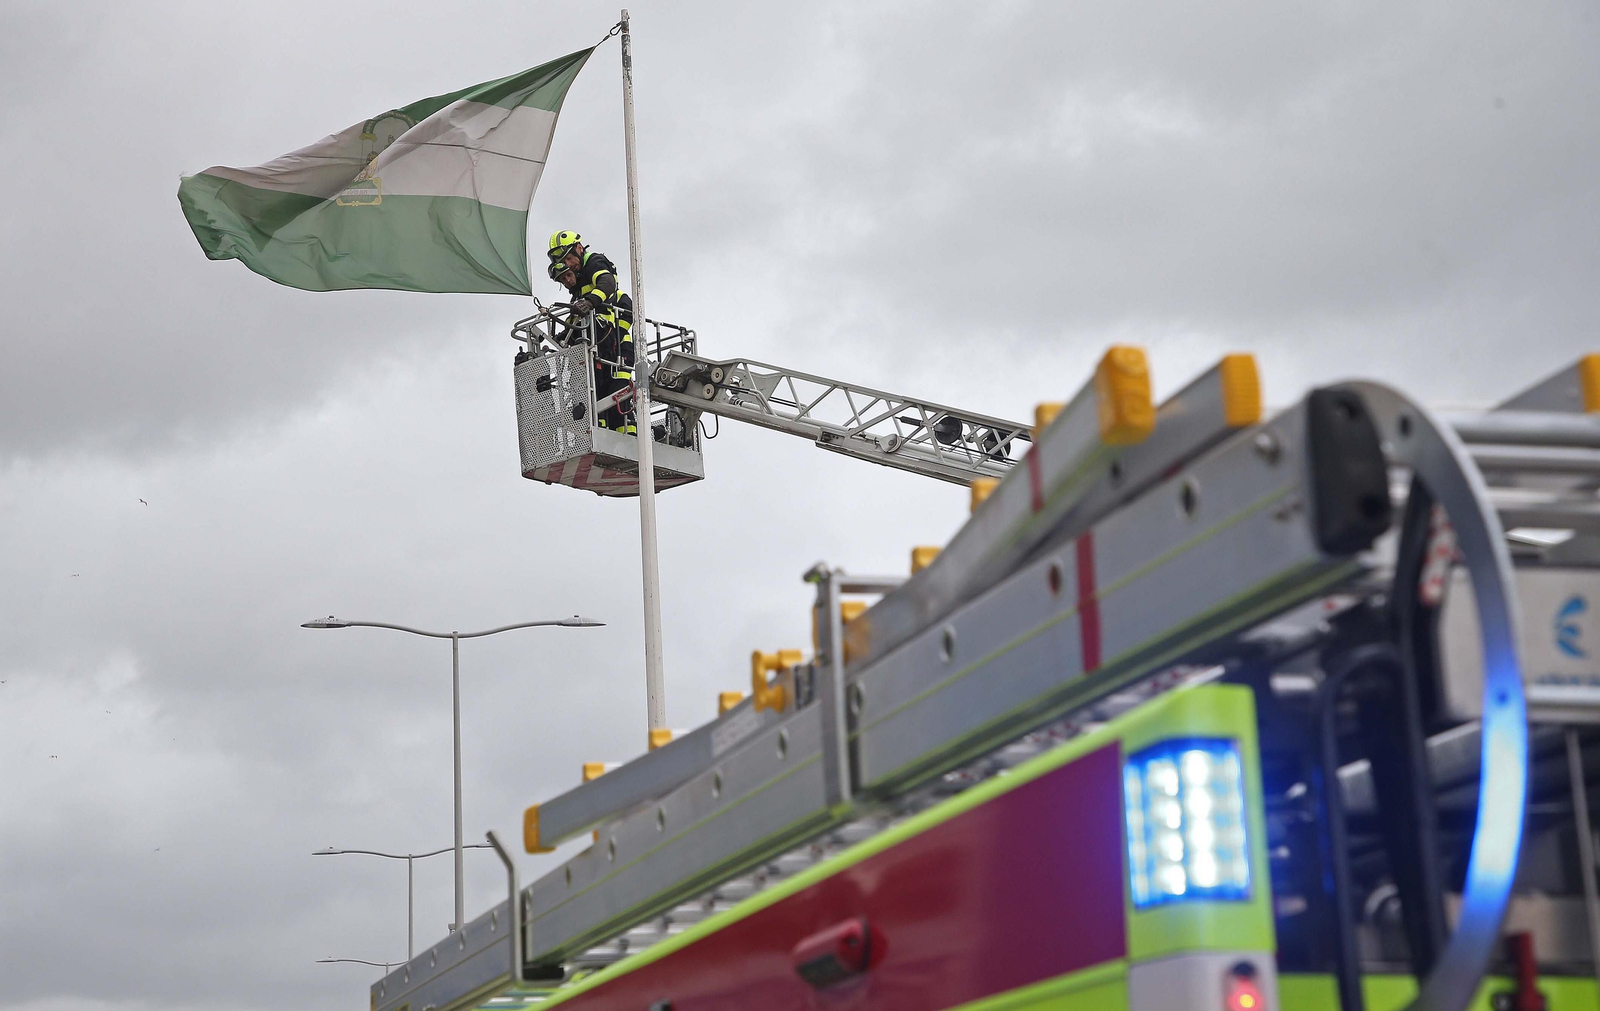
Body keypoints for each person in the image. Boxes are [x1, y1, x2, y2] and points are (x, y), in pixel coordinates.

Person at [547, 231, 635, 434]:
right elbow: (576, 319)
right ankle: (601, 431)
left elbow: (607, 284)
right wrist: (561, 336)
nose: (569, 265)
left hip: (617, 348)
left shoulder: (595, 262)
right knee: (598, 393)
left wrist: (589, 302)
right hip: (603, 347)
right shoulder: (578, 290)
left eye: (569, 258)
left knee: (616, 395)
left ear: (579, 248)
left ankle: (628, 436)